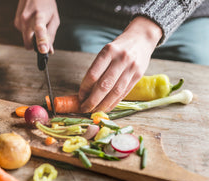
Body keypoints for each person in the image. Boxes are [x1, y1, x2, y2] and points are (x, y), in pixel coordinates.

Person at [14, 0, 209, 113]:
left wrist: (147, 31)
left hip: (185, 17)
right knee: (89, 80)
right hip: (89, 14)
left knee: (199, 74)